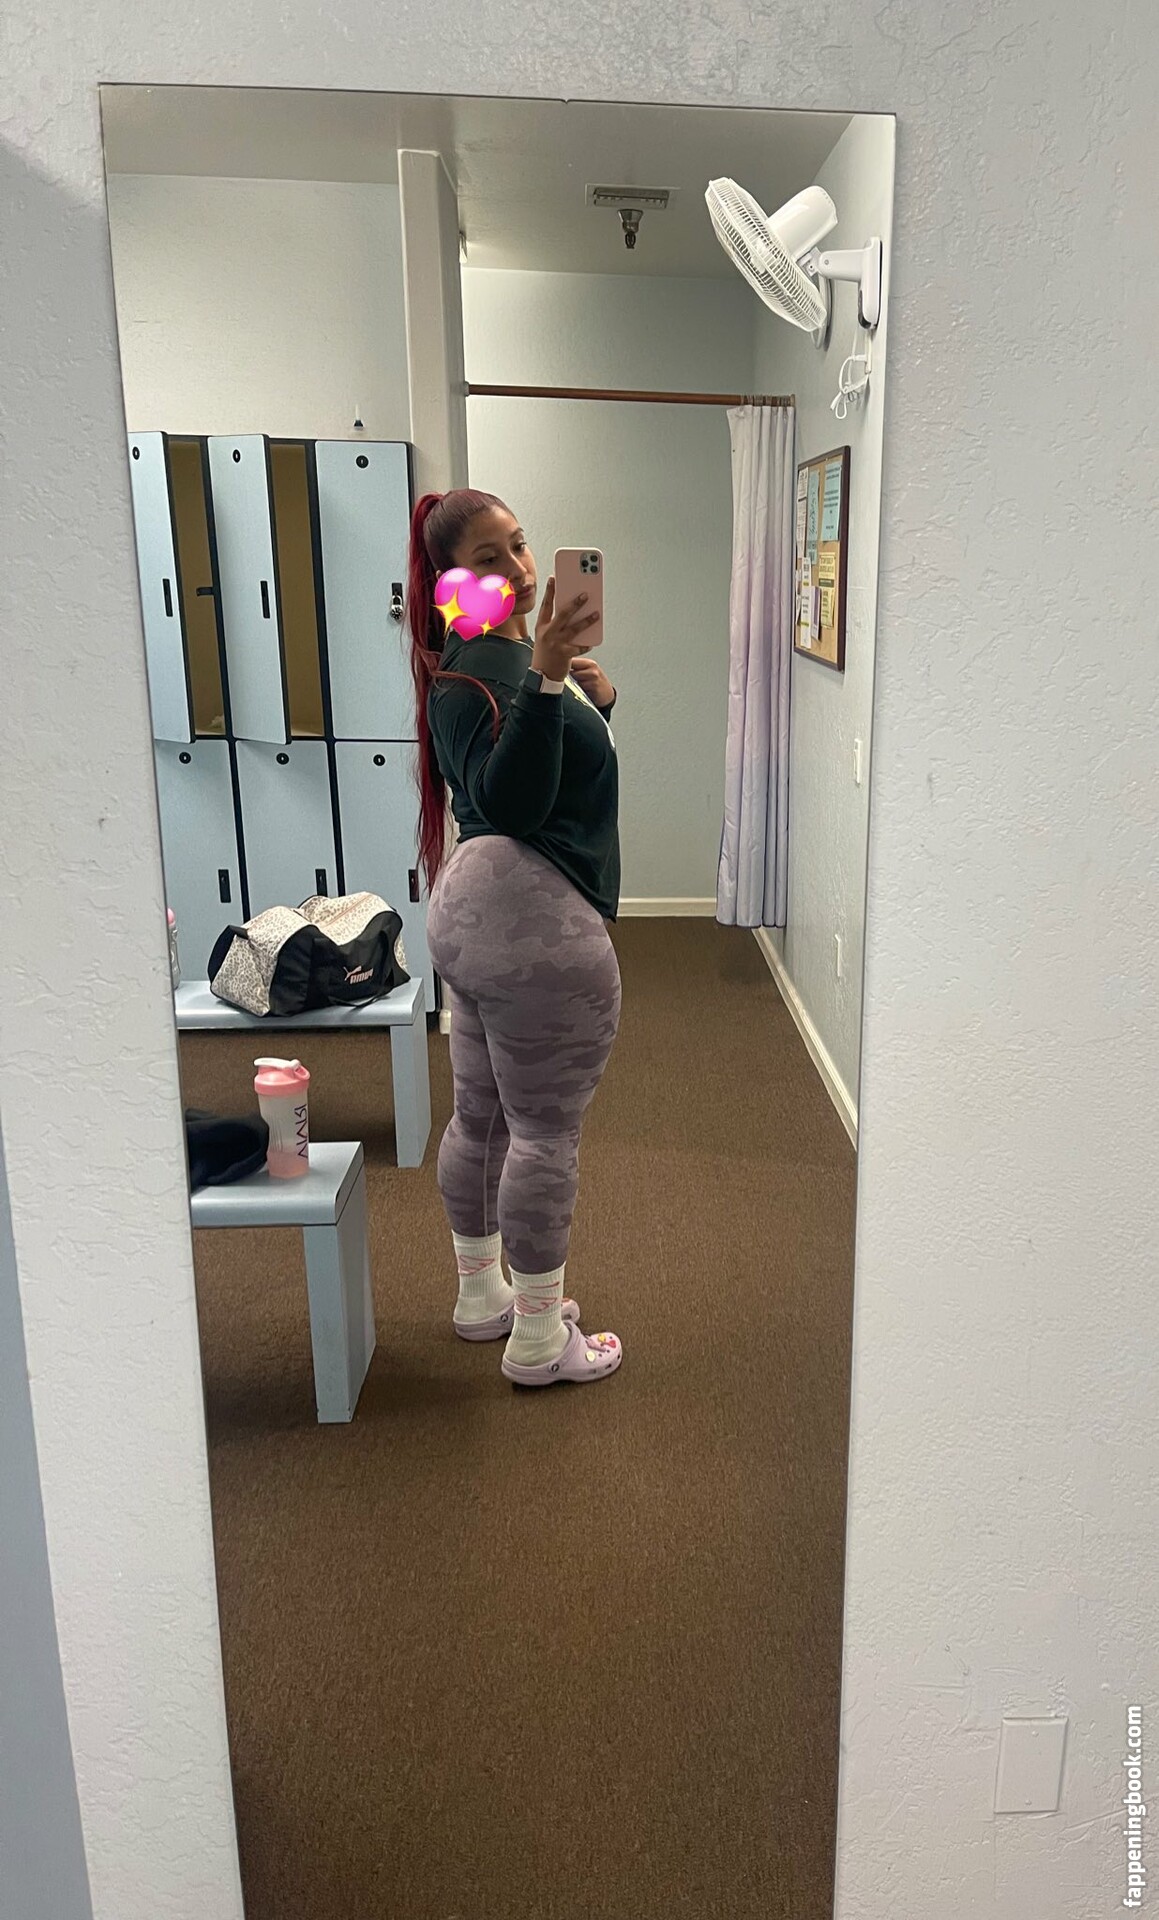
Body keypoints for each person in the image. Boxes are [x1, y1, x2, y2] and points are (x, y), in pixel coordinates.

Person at [407, 489, 623, 1387]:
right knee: (541, 1132)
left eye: (520, 545)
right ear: (450, 584)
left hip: (476, 921)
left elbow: (556, 778)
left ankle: (480, 1296)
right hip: (530, 929)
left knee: (484, 1115)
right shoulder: (475, 676)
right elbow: (517, 802)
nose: (520, 569)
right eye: (488, 559)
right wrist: (546, 677)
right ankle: (538, 1339)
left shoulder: (489, 661)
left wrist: (591, 697)